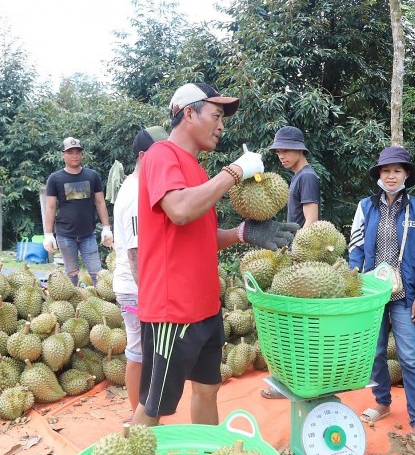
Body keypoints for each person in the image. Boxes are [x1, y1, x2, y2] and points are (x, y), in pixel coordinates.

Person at [130, 82, 300, 427]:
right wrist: (234, 171)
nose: (221, 125)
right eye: (216, 115)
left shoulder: (196, 168)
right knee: (153, 407)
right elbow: (179, 210)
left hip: (205, 307)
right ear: (188, 113)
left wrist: (241, 233)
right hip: (173, 311)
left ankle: (210, 451)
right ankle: (131, 449)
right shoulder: (162, 154)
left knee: (208, 389)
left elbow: (200, 237)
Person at [348, 145, 415, 449]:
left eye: (397, 170)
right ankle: (382, 402)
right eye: (386, 171)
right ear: (379, 174)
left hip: (405, 293)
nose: (391, 176)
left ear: (406, 174)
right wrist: (355, 283)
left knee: (409, 356)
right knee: (374, 353)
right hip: (372, 293)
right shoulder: (366, 206)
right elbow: (355, 248)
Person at [260, 125, 321, 400]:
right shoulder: (298, 177)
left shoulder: (307, 177)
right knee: (290, 324)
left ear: (300, 150)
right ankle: (290, 381)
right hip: (294, 255)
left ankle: (295, 383)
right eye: (278, 151)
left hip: (300, 257)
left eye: (286, 150)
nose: (281, 156)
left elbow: (311, 221)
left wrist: (296, 255)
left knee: (295, 325)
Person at [112, 125, 168, 414]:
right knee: (138, 354)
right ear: (145, 156)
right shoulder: (136, 193)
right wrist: (148, 295)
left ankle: (143, 416)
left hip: (139, 287)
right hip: (137, 288)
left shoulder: (142, 186)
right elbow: (136, 252)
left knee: (144, 354)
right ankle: (139, 419)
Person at [43, 136, 113, 287]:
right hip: (65, 235)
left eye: (77, 152)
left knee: (97, 273)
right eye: (70, 152)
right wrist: (48, 234)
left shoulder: (92, 176)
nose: (74, 155)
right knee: (71, 273)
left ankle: (102, 299)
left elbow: (100, 202)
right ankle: (74, 300)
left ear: (82, 154)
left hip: (88, 234)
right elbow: (50, 207)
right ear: (63, 155)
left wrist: (106, 227)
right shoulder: (55, 178)